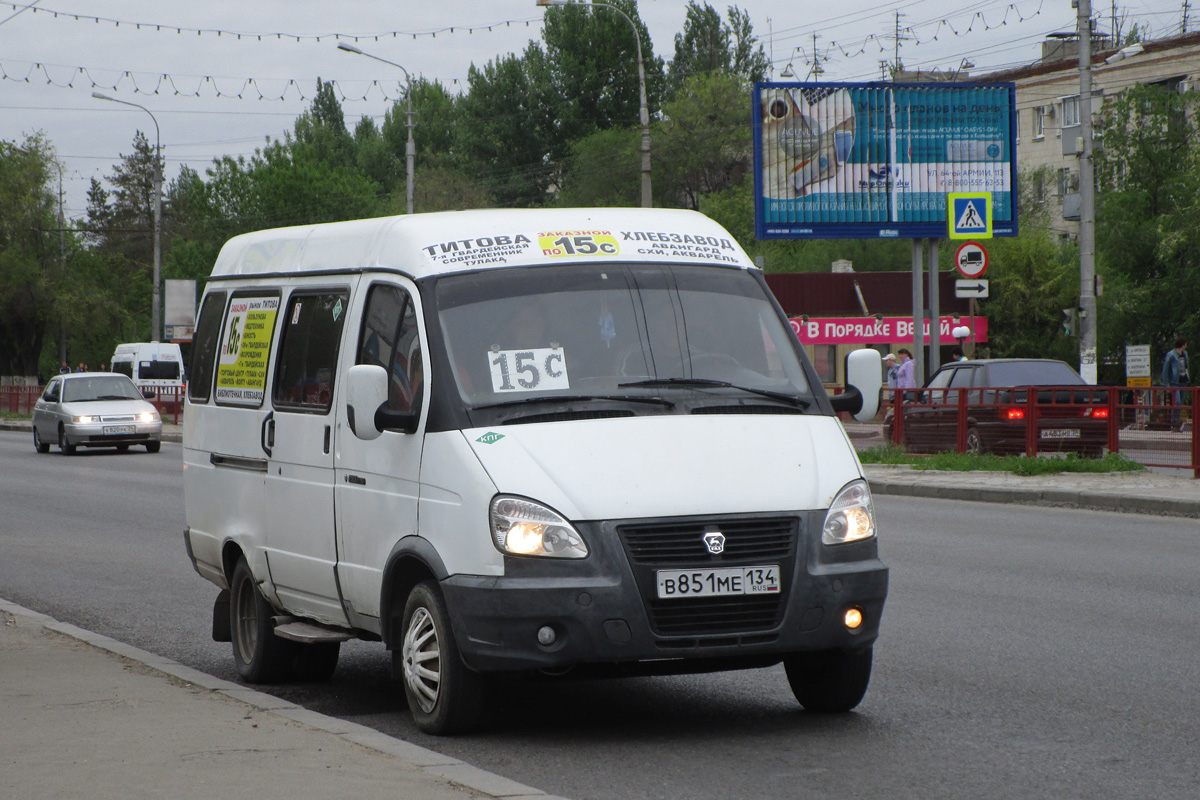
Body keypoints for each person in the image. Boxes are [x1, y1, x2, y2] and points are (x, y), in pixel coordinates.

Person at [1161, 337, 1190, 430]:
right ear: (1183, 344)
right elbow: (1165, 370)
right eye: (1185, 344)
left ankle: (1177, 423)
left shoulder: (1185, 354)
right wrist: (1167, 385)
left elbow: (1186, 367)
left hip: (1183, 381)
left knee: (1180, 404)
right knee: (1176, 403)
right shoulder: (1171, 355)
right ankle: (1173, 423)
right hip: (1174, 382)